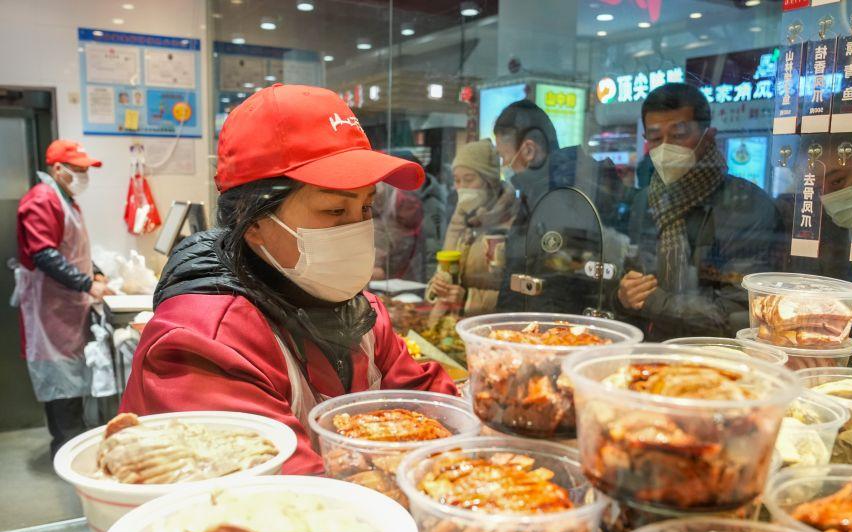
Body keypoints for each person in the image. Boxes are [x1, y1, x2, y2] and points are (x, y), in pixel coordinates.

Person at [121, 84, 456, 474]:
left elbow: (434, 410)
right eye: (334, 210)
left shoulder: (359, 312)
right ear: (253, 222)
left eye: (367, 207)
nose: (357, 229)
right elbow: (289, 495)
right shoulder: (201, 346)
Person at [617, 83, 785, 340]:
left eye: (678, 135)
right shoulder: (646, 201)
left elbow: (741, 310)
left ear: (708, 136)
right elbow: (632, 274)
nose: (665, 148)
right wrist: (623, 294)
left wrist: (653, 301)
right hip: (650, 346)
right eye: (655, 138)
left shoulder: (748, 205)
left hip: (715, 351)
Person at [16, 139, 109, 456]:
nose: (84, 176)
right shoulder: (42, 199)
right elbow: (45, 254)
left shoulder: (65, 199)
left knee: (70, 379)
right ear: (58, 169)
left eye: (86, 170)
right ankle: (67, 452)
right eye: (78, 169)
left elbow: (72, 248)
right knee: (61, 379)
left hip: (67, 305)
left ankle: (71, 445)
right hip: (51, 307)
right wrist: (87, 283)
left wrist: (95, 272)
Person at [492, 100, 626, 314]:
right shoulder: (538, 191)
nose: (504, 165)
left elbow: (560, 280)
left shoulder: (562, 195)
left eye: (503, 156)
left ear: (528, 150)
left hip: (554, 325)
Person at [427, 139, 517, 316]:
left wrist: (467, 299)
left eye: (468, 180)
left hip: (488, 328)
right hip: (452, 326)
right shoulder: (459, 220)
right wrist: (436, 288)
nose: (461, 188)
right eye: (457, 180)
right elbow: (444, 273)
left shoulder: (514, 221)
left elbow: (517, 299)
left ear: (490, 181)